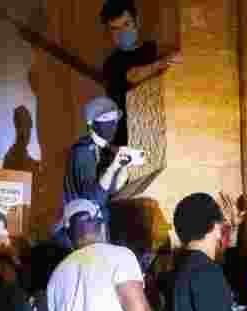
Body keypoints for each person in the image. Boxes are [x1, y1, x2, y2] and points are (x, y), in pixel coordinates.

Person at [100, 0, 182, 149]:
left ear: (136, 21)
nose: (122, 32)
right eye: (115, 29)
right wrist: (162, 63)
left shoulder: (151, 48)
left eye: (126, 24)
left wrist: (174, 57)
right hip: (129, 141)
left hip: (159, 130)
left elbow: (177, 53)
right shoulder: (111, 64)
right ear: (108, 32)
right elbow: (134, 76)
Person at [59, 97, 134, 246]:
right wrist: (113, 167)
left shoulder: (106, 149)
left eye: (114, 119)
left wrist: (125, 165)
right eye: (106, 118)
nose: (112, 124)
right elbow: (93, 197)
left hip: (100, 227)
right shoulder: (83, 151)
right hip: (85, 230)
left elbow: (112, 189)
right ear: (91, 122)